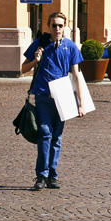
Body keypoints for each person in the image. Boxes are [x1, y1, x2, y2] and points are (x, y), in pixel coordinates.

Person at [20, 11, 86, 191]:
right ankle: (41, 175)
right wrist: (35, 60)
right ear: (48, 27)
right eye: (54, 25)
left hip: (63, 96)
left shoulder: (71, 47)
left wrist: (81, 104)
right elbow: (22, 69)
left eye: (60, 25)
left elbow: (76, 76)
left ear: (65, 27)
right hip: (43, 95)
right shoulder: (40, 44)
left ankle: (52, 175)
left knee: (56, 137)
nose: (57, 28)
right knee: (45, 133)